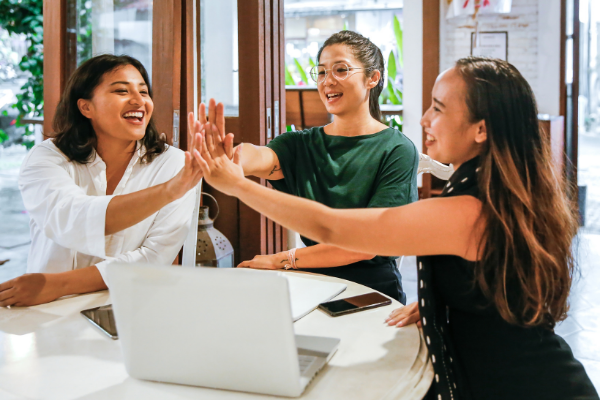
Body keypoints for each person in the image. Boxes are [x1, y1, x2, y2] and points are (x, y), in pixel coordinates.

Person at [191, 57, 598, 399]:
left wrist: (237, 187)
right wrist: (449, 302)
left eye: (438, 108)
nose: (424, 119)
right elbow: (496, 282)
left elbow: (331, 225)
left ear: (481, 129)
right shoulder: (498, 190)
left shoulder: (470, 209)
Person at [195, 30, 418, 303]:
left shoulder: (397, 150)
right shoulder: (301, 144)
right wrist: (233, 159)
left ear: (372, 78)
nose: (328, 81)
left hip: (373, 290)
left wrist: (281, 259)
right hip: (313, 282)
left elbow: (364, 245)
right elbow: (262, 157)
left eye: (341, 69)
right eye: (322, 72)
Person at [0, 54, 205, 307]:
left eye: (144, 91)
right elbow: (71, 218)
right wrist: (168, 191)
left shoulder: (174, 164)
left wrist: (59, 284)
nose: (139, 100)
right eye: (121, 90)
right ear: (86, 107)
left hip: (130, 307)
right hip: (46, 309)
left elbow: (154, 256)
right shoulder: (47, 157)